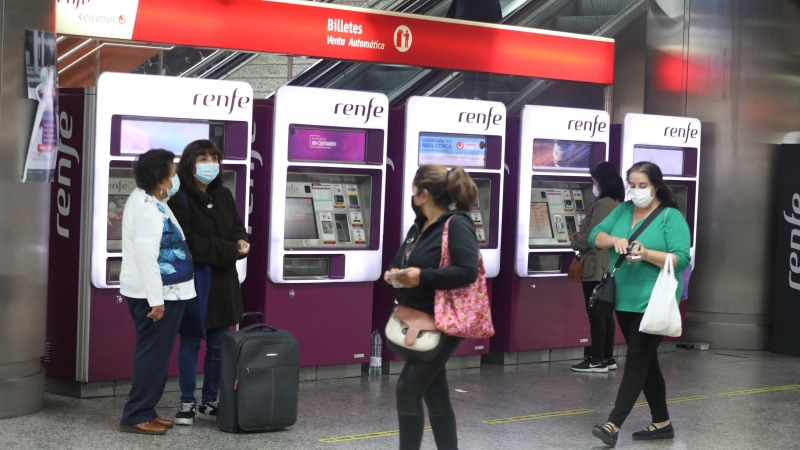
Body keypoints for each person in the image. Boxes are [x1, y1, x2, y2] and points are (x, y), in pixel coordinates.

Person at [588, 162, 691, 447]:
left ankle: (613, 424)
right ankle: (662, 423)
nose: (636, 190)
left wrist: (646, 254)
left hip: (654, 298)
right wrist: (614, 240)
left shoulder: (671, 217)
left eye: (642, 185)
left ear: (656, 185)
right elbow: (594, 237)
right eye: (632, 185)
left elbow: (681, 258)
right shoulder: (623, 210)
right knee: (648, 361)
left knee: (635, 360)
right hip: (624, 298)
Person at [385, 165, 481, 450]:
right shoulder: (420, 226)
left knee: (407, 389)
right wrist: (395, 275)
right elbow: (400, 261)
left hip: (444, 321)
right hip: (419, 318)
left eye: (413, 190)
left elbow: (468, 271)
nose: (411, 195)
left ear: (423, 193)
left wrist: (421, 276)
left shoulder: (457, 224)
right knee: (435, 394)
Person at [167, 140, 250, 426]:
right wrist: (230, 250)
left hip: (224, 281)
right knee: (191, 343)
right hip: (197, 281)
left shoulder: (224, 194)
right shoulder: (180, 198)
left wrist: (241, 239)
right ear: (189, 163)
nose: (210, 163)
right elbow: (189, 243)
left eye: (214, 158)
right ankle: (187, 402)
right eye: (203, 158)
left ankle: (210, 400)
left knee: (218, 347)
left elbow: (237, 225)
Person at [119, 149, 196, 435]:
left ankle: (147, 409)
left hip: (165, 292)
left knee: (156, 352)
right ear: (161, 178)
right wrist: (157, 300)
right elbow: (145, 255)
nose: (177, 178)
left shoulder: (150, 200)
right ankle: (135, 414)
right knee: (152, 354)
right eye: (173, 173)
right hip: (158, 295)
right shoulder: (148, 209)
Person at [570, 162, 625, 373]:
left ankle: (597, 359)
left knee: (595, 313)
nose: (593, 184)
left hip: (596, 264)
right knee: (604, 312)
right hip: (608, 263)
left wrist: (575, 241)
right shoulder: (617, 202)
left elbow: (594, 237)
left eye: (594, 180)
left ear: (601, 181)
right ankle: (607, 358)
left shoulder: (603, 204)